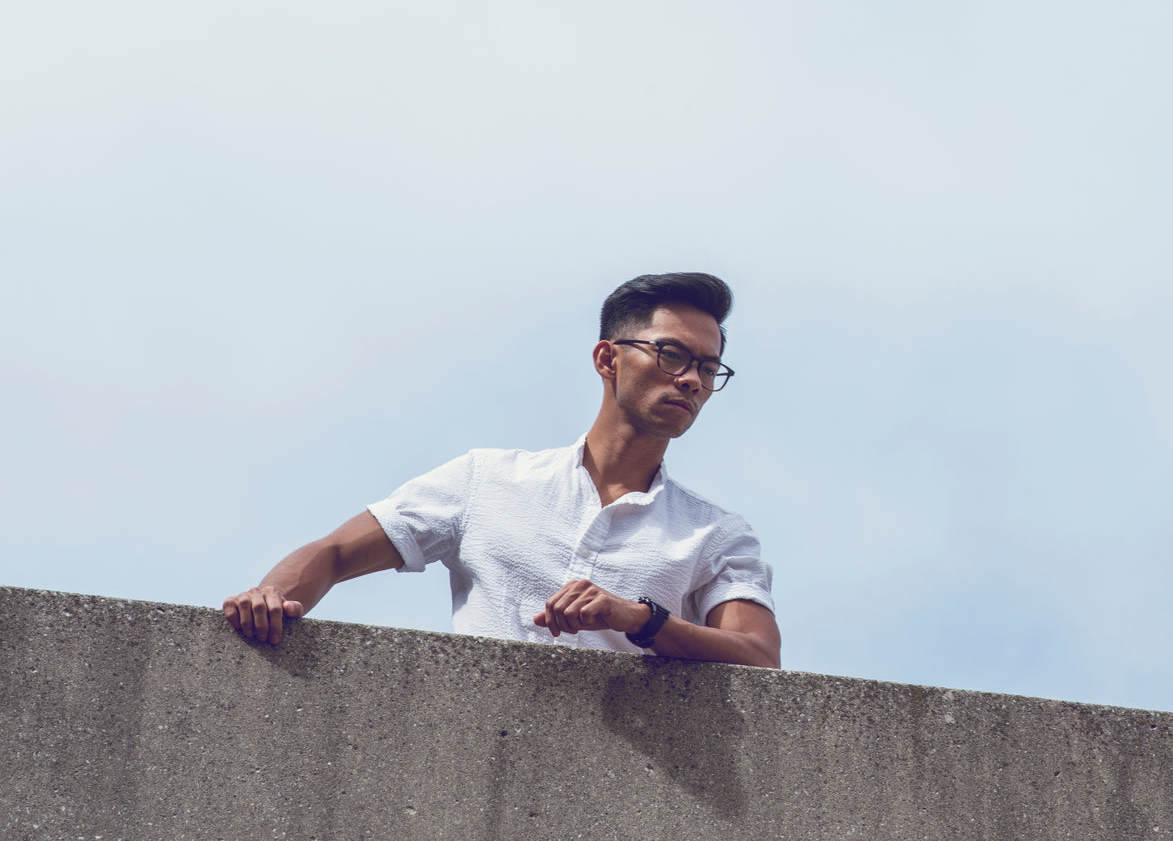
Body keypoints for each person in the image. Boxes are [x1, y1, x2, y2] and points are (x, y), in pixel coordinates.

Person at [220, 272, 780, 668]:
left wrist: (638, 619)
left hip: (631, 787)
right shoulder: (485, 481)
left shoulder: (716, 533)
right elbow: (334, 553)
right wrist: (270, 597)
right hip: (478, 766)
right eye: (673, 355)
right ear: (608, 359)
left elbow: (759, 657)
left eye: (708, 369)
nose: (692, 381)